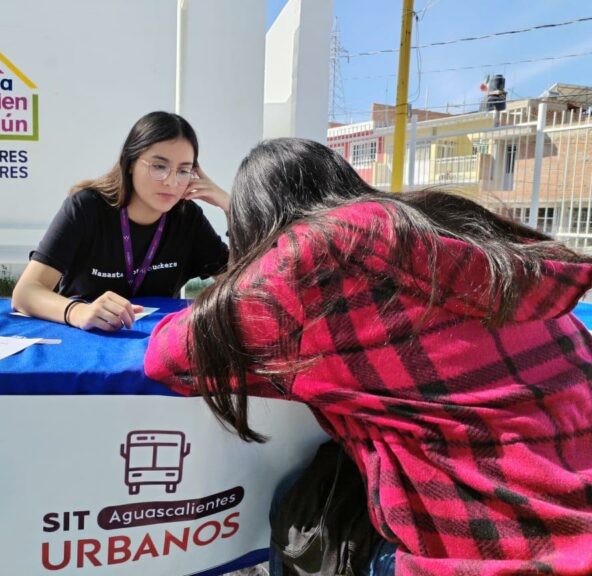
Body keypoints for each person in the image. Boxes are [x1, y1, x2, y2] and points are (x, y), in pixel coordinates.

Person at [144, 137, 592, 575]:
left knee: (299, 510)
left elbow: (170, 355)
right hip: (572, 515)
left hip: (492, 554)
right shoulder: (445, 226)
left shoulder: (312, 263)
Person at [12, 111, 229, 332]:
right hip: (82, 339)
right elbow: (25, 292)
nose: (172, 182)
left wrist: (231, 207)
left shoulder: (187, 217)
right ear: (131, 163)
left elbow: (241, 286)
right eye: (159, 166)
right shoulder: (87, 207)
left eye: (183, 170)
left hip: (154, 344)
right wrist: (79, 312)